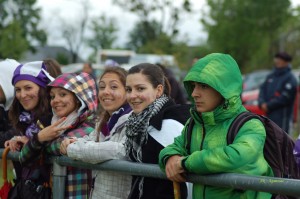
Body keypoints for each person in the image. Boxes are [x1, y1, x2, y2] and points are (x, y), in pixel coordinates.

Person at [159, 53, 274, 199]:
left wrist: (184, 163)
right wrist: (170, 158)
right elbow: (172, 148)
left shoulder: (250, 124)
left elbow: (236, 157)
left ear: (225, 89)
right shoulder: (195, 122)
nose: (194, 93)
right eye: (193, 86)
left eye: (203, 86)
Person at [11, 72, 98, 198]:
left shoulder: (92, 122)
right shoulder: (50, 122)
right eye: (52, 97)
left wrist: (39, 140)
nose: (56, 101)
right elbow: (24, 158)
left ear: (78, 98)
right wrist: (40, 138)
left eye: (63, 94)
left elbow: (60, 146)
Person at [60, 67, 132, 199]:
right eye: (102, 87)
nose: (106, 92)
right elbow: (88, 140)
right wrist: (73, 143)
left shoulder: (133, 119)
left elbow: (120, 150)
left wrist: (71, 148)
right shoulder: (103, 122)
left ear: (128, 91)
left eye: (114, 87)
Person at [124, 63, 190, 199]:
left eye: (140, 89)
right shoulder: (136, 122)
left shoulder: (170, 124)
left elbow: (181, 185)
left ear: (159, 90)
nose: (132, 95)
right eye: (129, 89)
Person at [4, 61, 55, 195]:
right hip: (25, 190)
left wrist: (31, 143)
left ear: (42, 88)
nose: (22, 95)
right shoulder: (22, 118)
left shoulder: (52, 118)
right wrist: (15, 142)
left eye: (28, 88)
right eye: (18, 89)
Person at [258, 52, 297, 133]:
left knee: (282, 142)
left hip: (282, 119)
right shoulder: (271, 76)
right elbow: (262, 89)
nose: (277, 61)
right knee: (269, 141)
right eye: (277, 59)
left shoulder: (290, 78)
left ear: (286, 62)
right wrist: (261, 102)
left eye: (280, 59)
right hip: (269, 116)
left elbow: (285, 98)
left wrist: (268, 105)